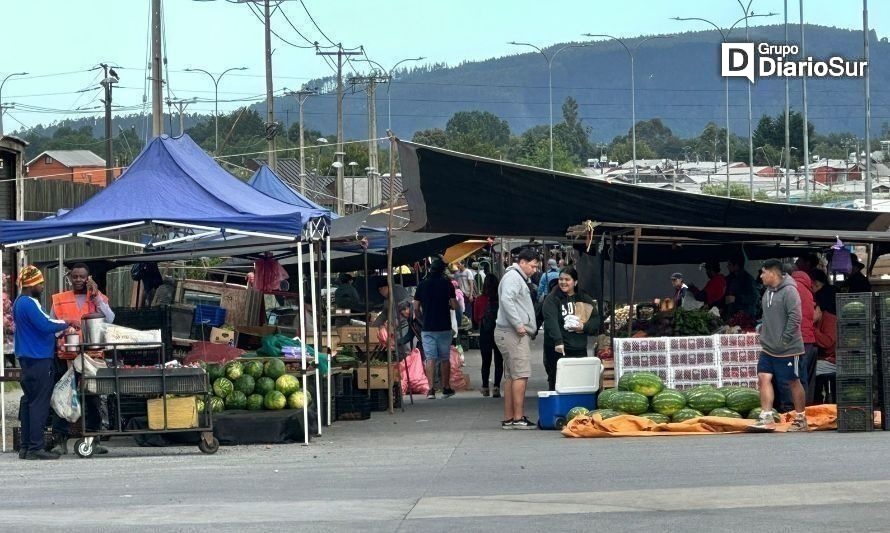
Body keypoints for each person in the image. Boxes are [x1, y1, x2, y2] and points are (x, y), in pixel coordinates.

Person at [49, 263, 115, 455]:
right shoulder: (59, 299)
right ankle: (60, 441)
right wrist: (65, 330)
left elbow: (110, 319)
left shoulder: (96, 297)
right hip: (66, 357)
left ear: (89, 278)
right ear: (69, 277)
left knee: (93, 398)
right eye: (75, 276)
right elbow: (53, 326)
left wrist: (96, 297)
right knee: (62, 397)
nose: (78, 280)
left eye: (82, 277)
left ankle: (94, 440)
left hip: (91, 356)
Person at [13, 266, 70, 460]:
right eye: (40, 283)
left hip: (27, 359)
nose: (42, 287)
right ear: (32, 284)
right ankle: (36, 447)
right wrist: (67, 323)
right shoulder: (30, 303)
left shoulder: (18, 302)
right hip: (38, 358)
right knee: (39, 403)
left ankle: (26, 447)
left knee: (30, 402)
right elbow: (46, 324)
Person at [752, 259, 808, 432]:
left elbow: (795, 317)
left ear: (773, 273)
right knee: (763, 378)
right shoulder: (767, 292)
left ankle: (800, 419)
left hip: (789, 348)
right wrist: (762, 329)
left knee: (792, 381)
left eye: (763, 272)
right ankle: (766, 416)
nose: (761, 276)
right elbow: (768, 316)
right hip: (768, 348)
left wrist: (784, 340)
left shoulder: (790, 291)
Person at [494, 248, 539, 430]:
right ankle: (518, 417)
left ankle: (510, 417)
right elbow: (506, 300)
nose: (535, 270)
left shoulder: (514, 277)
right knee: (520, 374)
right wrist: (518, 324)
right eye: (533, 266)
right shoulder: (513, 278)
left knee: (512, 376)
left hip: (508, 332)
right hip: (513, 333)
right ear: (522, 262)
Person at [541, 266, 600, 391]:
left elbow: (596, 320)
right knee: (557, 382)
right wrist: (558, 341)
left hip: (579, 349)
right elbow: (551, 321)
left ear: (575, 282)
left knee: (578, 382)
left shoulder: (583, 298)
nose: (563, 282)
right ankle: (558, 409)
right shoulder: (552, 299)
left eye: (567, 279)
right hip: (557, 350)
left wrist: (584, 326)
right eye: (561, 279)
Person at [414, 258, 459, 399]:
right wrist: (451, 306)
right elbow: (454, 304)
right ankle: (446, 388)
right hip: (444, 326)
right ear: (442, 270)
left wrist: (422, 318)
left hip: (427, 327)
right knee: (445, 358)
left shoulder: (422, 285)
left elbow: (415, 307)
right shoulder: (447, 284)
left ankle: (431, 390)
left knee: (430, 359)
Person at [791, 269, 818, 406]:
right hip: (809, 342)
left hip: (798, 340)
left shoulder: (793, 289)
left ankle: (799, 412)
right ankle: (807, 409)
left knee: (797, 379)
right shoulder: (808, 291)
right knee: (806, 379)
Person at [475, 274, 503, 398]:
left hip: (484, 331)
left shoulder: (480, 299)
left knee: (485, 361)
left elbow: (475, 318)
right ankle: (496, 387)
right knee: (499, 360)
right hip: (498, 330)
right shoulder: (501, 299)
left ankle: (485, 387)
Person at [812, 304, 837, 404]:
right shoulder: (817, 321)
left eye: (811, 312)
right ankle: (816, 401)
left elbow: (827, 342)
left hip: (835, 361)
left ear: (818, 309)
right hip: (824, 359)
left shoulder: (830, 320)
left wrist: (811, 329)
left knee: (810, 369)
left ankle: (814, 402)